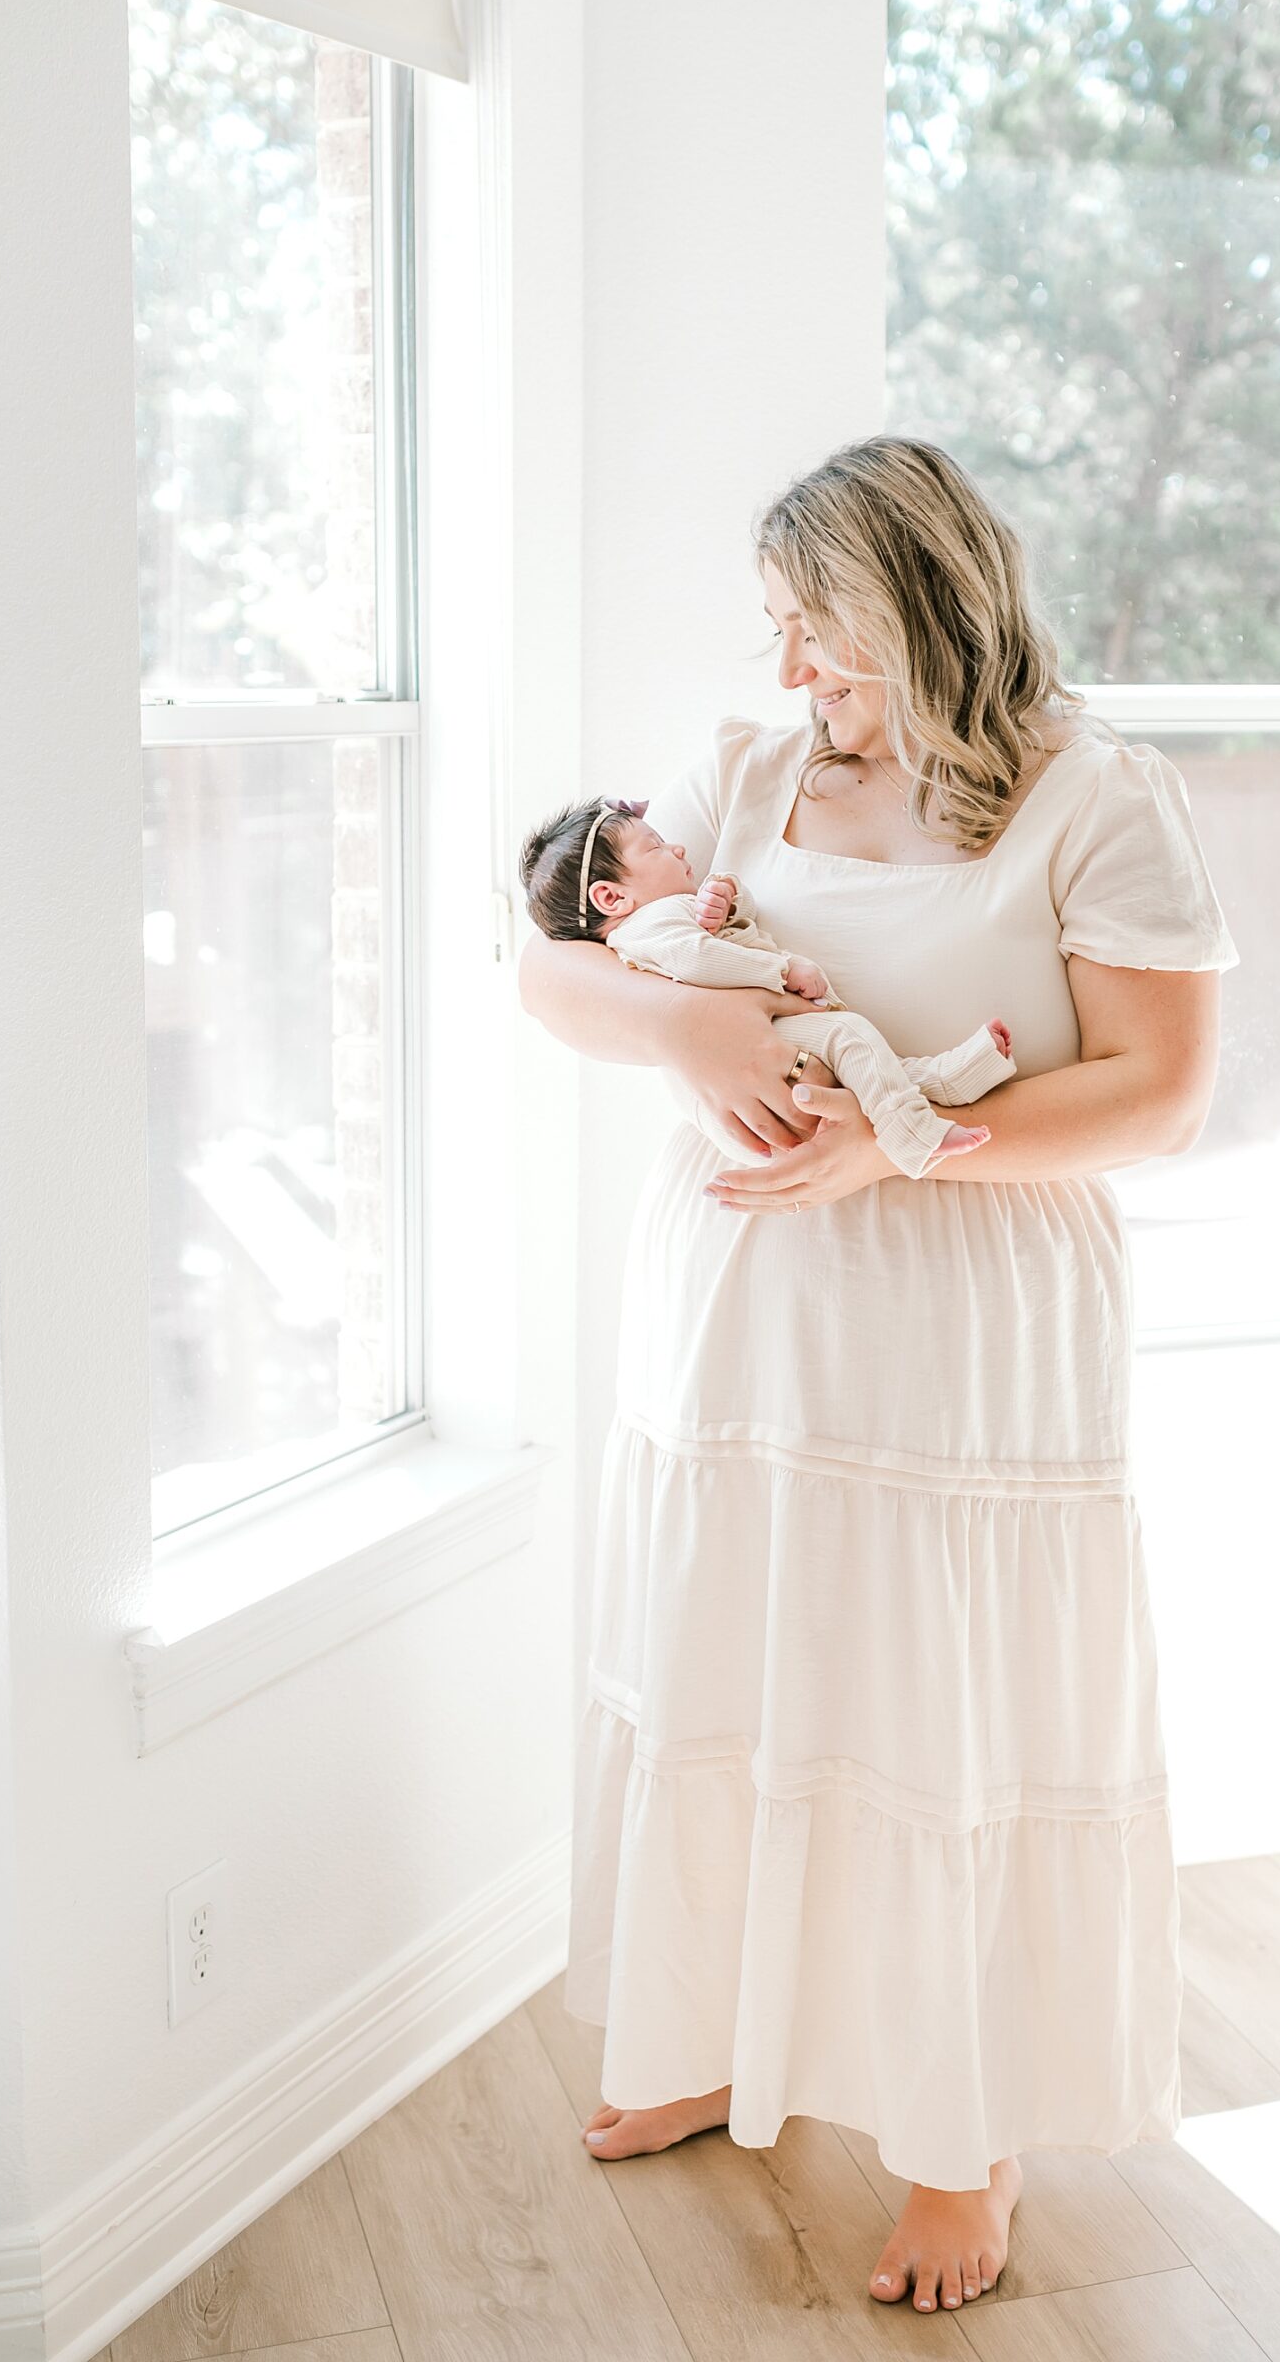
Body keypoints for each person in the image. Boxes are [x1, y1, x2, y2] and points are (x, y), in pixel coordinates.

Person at [516, 434, 1239, 2317]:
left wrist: (894, 1148)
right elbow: (550, 981)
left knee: (945, 1720)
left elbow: (1156, 1098)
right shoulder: (748, 774)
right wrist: (692, 1032)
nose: (784, 679)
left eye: (814, 638)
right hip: (743, 1324)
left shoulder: (1094, 796)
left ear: (921, 608)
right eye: (772, 635)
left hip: (967, 1328)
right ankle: (707, 2034)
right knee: (733, 1661)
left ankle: (954, 2151)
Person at [514, 795, 1014, 1174]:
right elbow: (700, 960)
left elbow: (736, 930)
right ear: (610, 896)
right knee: (851, 1038)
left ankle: (947, 1081)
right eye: (656, 847)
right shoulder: (647, 927)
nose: (677, 847)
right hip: (766, 1038)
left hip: (773, 1033)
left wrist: (729, 898)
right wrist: (779, 973)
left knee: (864, 1064)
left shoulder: (669, 913)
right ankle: (912, 1138)